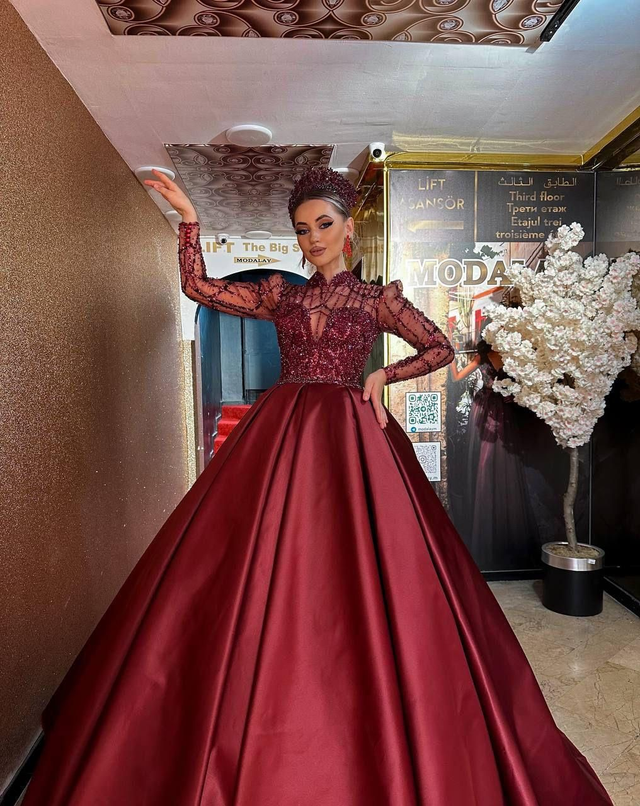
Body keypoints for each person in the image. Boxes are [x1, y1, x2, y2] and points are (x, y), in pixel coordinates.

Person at [22, 167, 613, 805]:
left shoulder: (377, 300)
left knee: (364, 559)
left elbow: (440, 348)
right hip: (281, 429)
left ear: (348, 226)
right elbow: (198, 287)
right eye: (302, 230)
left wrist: (382, 377)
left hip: (353, 433)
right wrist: (189, 218)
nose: (313, 239)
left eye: (323, 225)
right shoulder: (281, 292)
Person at [448, 338, 540, 571]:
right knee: (486, 463)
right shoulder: (485, 356)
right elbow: (457, 377)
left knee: (502, 463)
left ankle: (503, 536)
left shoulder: (514, 353)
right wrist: (449, 353)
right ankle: (486, 531)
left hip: (502, 413)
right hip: (486, 411)